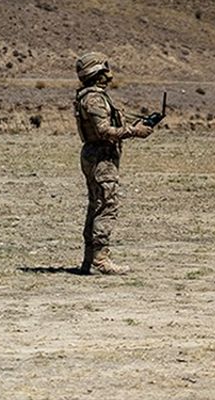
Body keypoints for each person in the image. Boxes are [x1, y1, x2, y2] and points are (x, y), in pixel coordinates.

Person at [73, 52, 155, 275]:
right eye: (104, 71)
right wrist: (133, 131)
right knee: (106, 206)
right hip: (101, 157)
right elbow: (103, 131)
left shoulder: (90, 96)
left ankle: (90, 259)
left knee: (97, 205)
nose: (109, 77)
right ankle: (100, 260)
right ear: (97, 73)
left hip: (97, 155)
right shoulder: (94, 98)